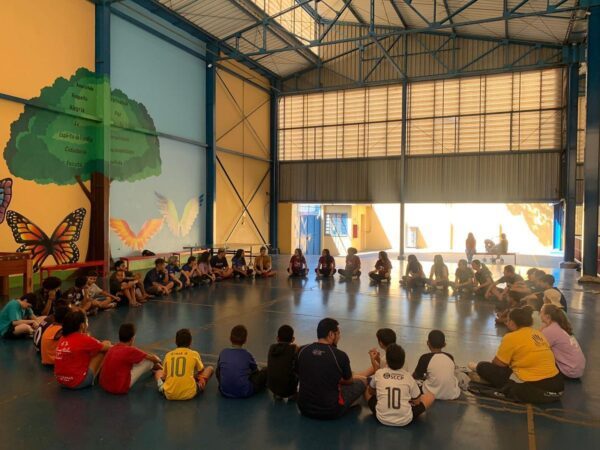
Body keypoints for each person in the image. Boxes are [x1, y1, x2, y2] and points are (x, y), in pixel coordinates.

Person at [472, 307, 564, 403]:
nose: (506, 323)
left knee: (483, 366)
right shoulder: (538, 333)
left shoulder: (511, 337)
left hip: (536, 389)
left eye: (508, 320)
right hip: (558, 387)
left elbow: (498, 364)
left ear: (512, 322)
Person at [296, 318, 366, 419]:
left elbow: (299, 372)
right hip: (330, 411)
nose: (339, 337)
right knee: (361, 383)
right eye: (338, 333)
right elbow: (349, 381)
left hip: (304, 408)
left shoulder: (302, 350)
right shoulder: (340, 355)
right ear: (331, 334)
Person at [366, 344, 434, 427]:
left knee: (367, 389)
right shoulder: (408, 376)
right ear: (403, 361)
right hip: (405, 420)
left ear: (387, 361)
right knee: (430, 396)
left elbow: (370, 391)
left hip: (381, 418)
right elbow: (417, 402)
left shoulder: (379, 373)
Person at [99, 323, 163, 394]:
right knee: (149, 362)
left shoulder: (112, 348)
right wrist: (160, 362)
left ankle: (157, 370)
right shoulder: (131, 350)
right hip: (118, 388)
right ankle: (163, 372)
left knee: (136, 360)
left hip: (104, 385)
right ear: (132, 338)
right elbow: (153, 359)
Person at [54, 310, 111, 389]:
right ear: (82, 325)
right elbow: (109, 348)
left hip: (61, 381)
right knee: (104, 346)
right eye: (87, 322)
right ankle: (95, 378)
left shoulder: (62, 338)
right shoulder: (84, 339)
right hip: (78, 382)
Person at [157, 328, 214, 400]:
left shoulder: (168, 355)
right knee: (210, 369)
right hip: (190, 393)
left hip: (169, 394)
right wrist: (194, 375)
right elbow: (201, 370)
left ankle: (161, 387)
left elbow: (165, 375)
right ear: (190, 342)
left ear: (176, 342)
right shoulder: (194, 354)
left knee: (158, 372)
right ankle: (200, 383)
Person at [217, 325, 267, 398]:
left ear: (230, 338)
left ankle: (227, 384)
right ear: (245, 340)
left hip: (224, 391)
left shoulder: (223, 352)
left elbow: (218, 370)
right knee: (265, 371)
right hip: (245, 392)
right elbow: (255, 370)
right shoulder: (247, 355)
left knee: (219, 369)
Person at [540, 304, 586, 379]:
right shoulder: (559, 325)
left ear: (547, 316)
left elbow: (538, 347)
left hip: (570, 370)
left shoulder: (550, 330)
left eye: (541, 312)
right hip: (578, 368)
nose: (539, 314)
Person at [412, 330, 461, 400]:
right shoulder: (450, 357)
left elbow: (416, 376)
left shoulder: (425, 358)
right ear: (444, 344)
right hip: (452, 394)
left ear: (428, 343)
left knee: (414, 382)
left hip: (431, 394)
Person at [267, 324, 298, 400]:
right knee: (298, 369)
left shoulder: (272, 347)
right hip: (288, 390)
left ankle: (277, 394)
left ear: (277, 338)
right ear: (293, 339)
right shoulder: (294, 349)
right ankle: (292, 394)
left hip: (272, 387)